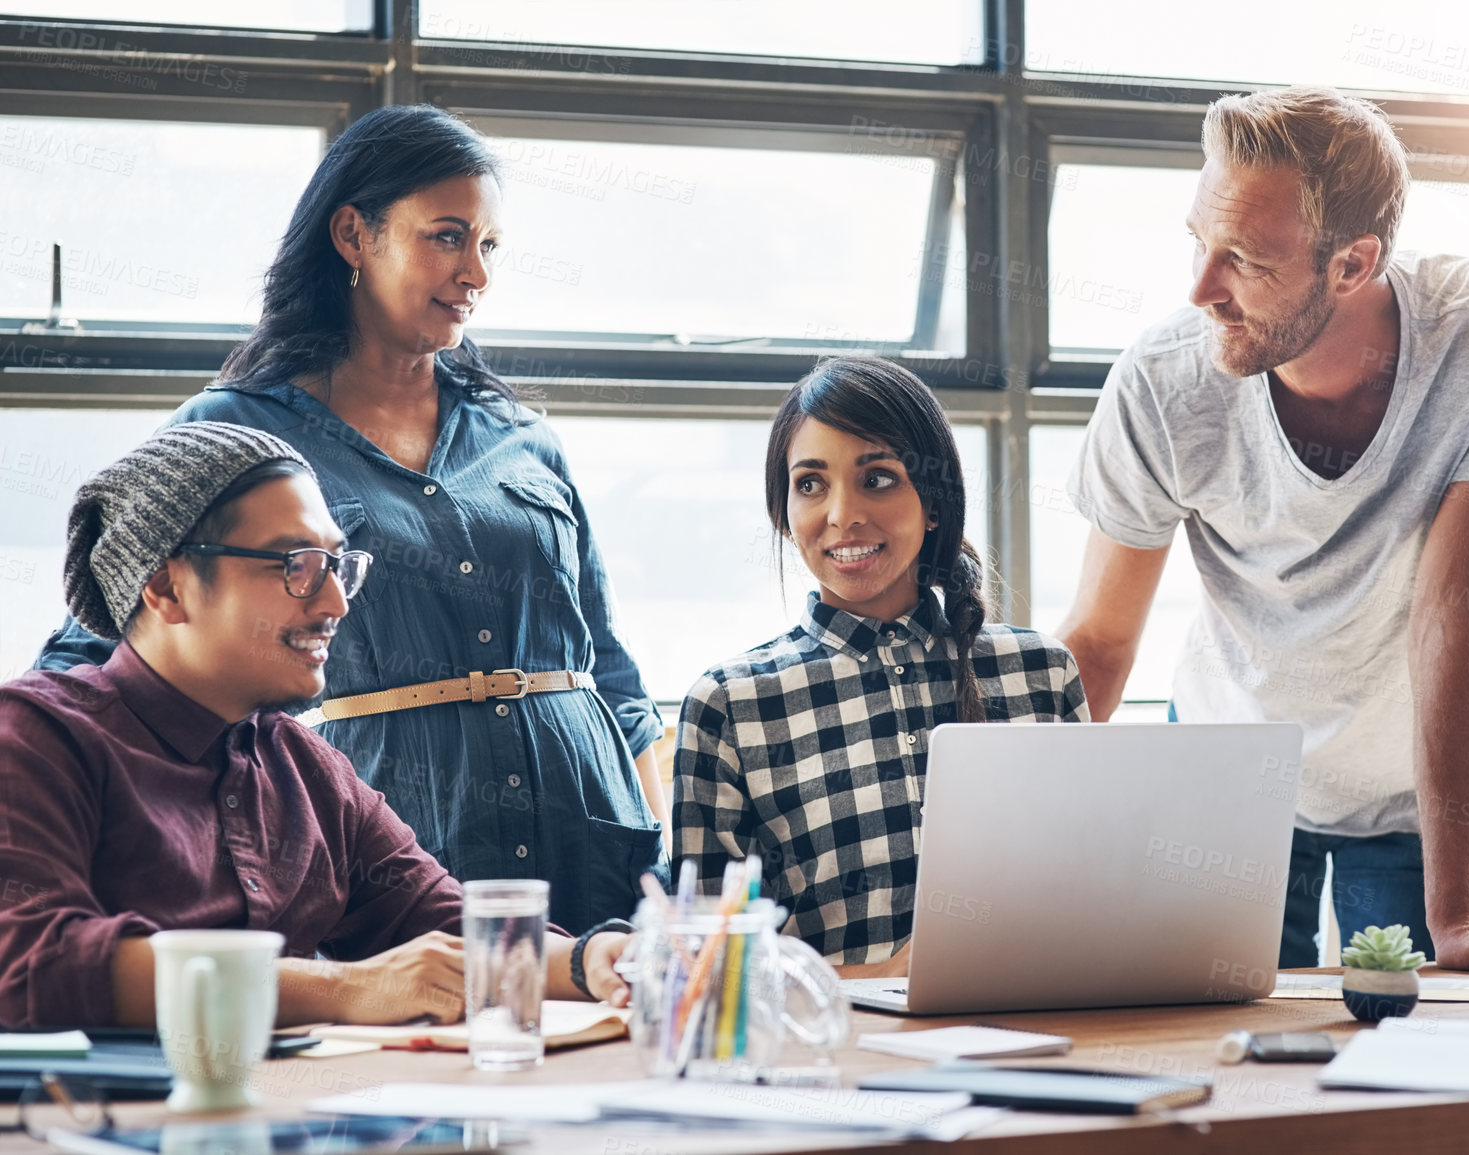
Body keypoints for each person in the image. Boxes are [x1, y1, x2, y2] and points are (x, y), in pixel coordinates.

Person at [1057, 86, 1469, 974]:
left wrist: (1456, 911)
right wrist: (1011, 863)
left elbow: (1455, 620)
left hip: (1417, 792)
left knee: (1413, 1045)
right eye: (1198, 241)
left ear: (1351, 262)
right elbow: (1101, 641)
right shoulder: (1162, 381)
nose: (1200, 289)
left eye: (1245, 260)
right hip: (1226, 771)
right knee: (1218, 1051)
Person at [35, 104, 664, 936]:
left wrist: (668, 856)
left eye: (489, 245)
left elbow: (610, 668)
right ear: (352, 236)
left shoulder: (524, 439)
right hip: (392, 842)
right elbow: (102, 649)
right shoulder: (235, 431)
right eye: (446, 236)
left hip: (592, 834)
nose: (477, 273)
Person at [0, 423, 631, 1029]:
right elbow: (32, 964)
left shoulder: (303, 764)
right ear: (167, 588)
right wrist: (351, 988)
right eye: (296, 566)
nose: (335, 604)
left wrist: (590, 963)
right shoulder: (37, 735)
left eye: (339, 566)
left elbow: (437, 922)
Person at [673, 357, 1088, 978]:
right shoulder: (729, 704)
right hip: (834, 1061)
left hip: (1044, 1042)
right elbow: (708, 969)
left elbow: (1095, 900)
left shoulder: (1041, 673)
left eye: (879, 478)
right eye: (811, 484)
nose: (842, 514)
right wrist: (890, 978)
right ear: (782, 515)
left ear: (937, 502)